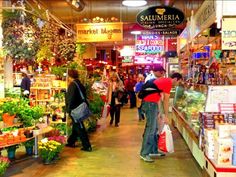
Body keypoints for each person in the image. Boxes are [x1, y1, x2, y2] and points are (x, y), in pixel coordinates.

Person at [140, 72, 182, 162]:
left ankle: (153, 150)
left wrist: (160, 112)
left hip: (152, 104)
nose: (178, 84)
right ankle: (144, 153)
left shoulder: (164, 81)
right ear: (175, 79)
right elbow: (166, 100)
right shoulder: (168, 83)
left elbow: (158, 97)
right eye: (179, 82)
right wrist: (166, 116)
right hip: (150, 104)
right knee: (151, 129)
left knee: (154, 129)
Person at [65, 69, 92, 151]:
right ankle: (71, 141)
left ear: (70, 76)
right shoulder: (79, 83)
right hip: (80, 107)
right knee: (76, 125)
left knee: (79, 126)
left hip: (75, 110)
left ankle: (87, 146)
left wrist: (69, 109)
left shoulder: (72, 85)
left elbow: (71, 98)